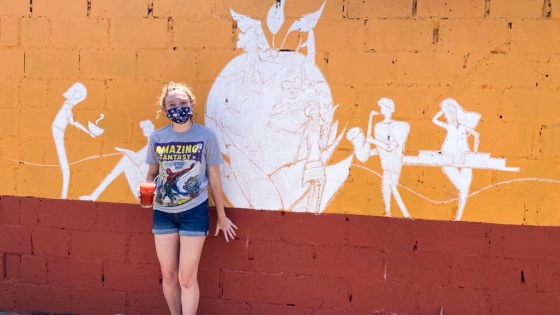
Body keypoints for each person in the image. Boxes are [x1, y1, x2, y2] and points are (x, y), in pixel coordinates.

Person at [145, 82, 237, 315]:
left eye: (183, 103)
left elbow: (215, 179)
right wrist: (148, 189)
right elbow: (153, 173)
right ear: (165, 110)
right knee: (168, 275)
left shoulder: (206, 136)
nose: (178, 108)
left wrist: (222, 215)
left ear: (192, 105)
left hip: (194, 212)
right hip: (163, 212)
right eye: (172, 105)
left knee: (186, 278)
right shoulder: (157, 137)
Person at [79, 120, 155, 201]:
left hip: (149, 192)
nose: (145, 130)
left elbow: (137, 159)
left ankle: (94, 195)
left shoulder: (153, 144)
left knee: (125, 160)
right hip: (147, 187)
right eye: (144, 128)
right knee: (125, 160)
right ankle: (95, 194)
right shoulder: (152, 144)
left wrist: (125, 151)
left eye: (147, 128)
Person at [432, 97, 481, 221]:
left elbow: (476, 135)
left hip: (465, 156)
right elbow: (434, 120)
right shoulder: (449, 126)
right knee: (462, 187)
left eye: (453, 110)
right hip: (448, 156)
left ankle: (459, 215)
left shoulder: (463, 126)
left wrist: (474, 152)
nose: (452, 113)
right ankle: (459, 213)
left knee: (464, 187)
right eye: (449, 111)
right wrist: (442, 110)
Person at [366, 98, 410, 218]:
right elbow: (378, 145)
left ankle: (391, 212)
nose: (381, 110)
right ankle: (388, 211)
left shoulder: (399, 126)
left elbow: (390, 146)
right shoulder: (378, 126)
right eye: (381, 107)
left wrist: (372, 140)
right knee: (387, 186)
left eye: (384, 107)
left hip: (394, 161)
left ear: (390, 109)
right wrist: (370, 118)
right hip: (386, 162)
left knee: (391, 186)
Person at [52, 82, 97, 199]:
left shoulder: (68, 105)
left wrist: (89, 132)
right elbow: (73, 122)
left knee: (66, 169)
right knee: (66, 170)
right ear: (75, 92)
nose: (79, 96)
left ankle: (63, 196)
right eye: (79, 93)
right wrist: (88, 132)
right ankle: (63, 197)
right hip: (58, 132)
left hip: (59, 132)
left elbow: (72, 121)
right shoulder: (67, 105)